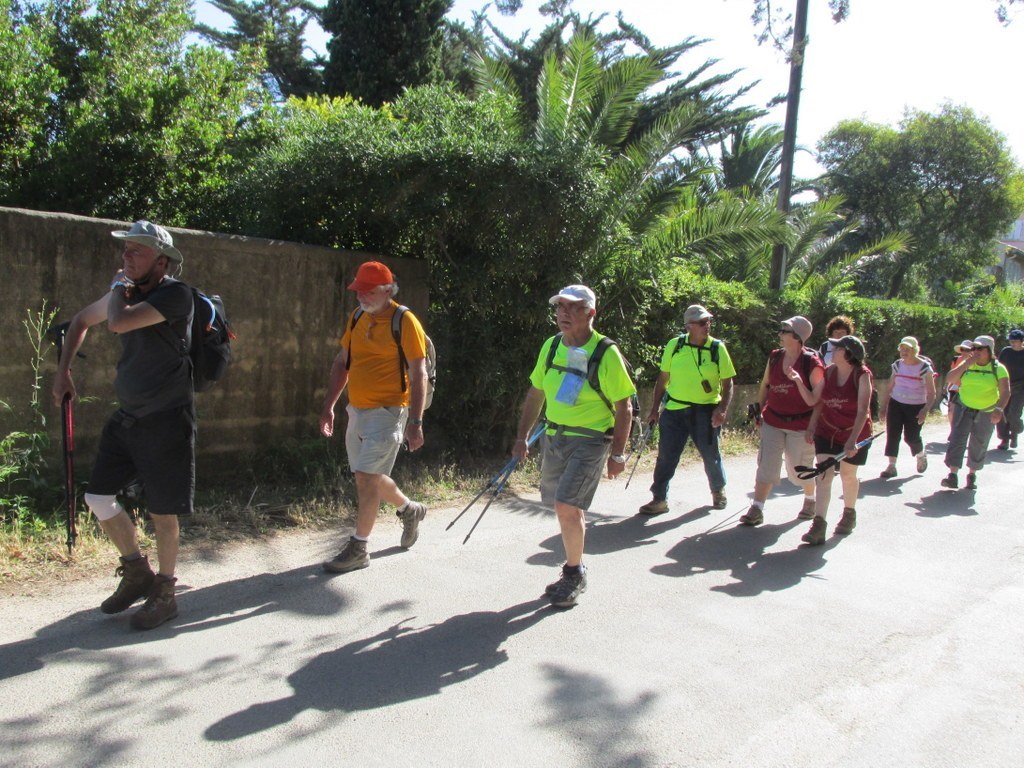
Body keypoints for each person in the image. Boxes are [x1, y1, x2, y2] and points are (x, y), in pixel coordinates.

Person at [51, 221, 195, 630]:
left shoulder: (175, 295)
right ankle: (137, 571)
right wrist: (63, 373)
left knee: (162, 512)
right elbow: (80, 321)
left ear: (161, 261)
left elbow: (118, 322)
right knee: (98, 497)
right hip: (128, 417)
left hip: (167, 419)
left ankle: (166, 592)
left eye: (137, 251)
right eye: (125, 250)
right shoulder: (124, 294)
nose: (126, 257)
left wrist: (117, 290)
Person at [513, 285, 635, 609]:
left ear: (591, 313)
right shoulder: (551, 346)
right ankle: (574, 568)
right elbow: (535, 393)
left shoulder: (605, 353)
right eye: (559, 307)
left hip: (592, 439)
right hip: (554, 436)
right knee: (562, 506)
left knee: (567, 505)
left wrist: (618, 453)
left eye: (572, 308)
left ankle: (574, 573)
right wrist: (521, 437)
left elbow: (625, 407)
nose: (563, 313)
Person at [319, 261, 429, 573]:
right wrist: (329, 405)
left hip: (389, 412)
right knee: (368, 476)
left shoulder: (404, 321)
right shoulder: (357, 317)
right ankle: (410, 510)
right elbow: (343, 363)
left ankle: (359, 547)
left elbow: (418, 371)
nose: (360, 297)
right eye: (358, 291)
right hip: (357, 410)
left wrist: (416, 421)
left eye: (367, 291)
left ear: (386, 290)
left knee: (367, 478)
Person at [638, 304, 736, 514]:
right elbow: (662, 379)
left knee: (711, 454)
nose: (707, 325)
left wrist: (722, 409)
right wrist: (655, 409)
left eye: (708, 321)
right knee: (666, 456)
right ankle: (659, 498)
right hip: (674, 410)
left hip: (706, 410)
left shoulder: (717, 348)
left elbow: (728, 383)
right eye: (702, 322)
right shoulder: (675, 345)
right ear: (689, 325)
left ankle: (718, 491)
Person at [739, 316, 824, 526]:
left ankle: (810, 500)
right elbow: (766, 384)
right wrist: (758, 410)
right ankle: (756, 508)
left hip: (801, 424)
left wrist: (813, 426)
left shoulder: (811, 363)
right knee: (766, 465)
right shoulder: (775, 357)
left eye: (784, 331)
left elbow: (819, 399)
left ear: (796, 336)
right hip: (773, 420)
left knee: (799, 470)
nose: (779, 334)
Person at [801, 335, 873, 546]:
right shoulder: (830, 372)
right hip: (828, 430)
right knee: (823, 474)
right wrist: (812, 425)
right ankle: (819, 525)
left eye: (838, 348)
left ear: (848, 354)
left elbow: (862, 411)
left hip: (854, 432)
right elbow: (821, 402)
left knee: (848, 476)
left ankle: (849, 514)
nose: (833, 350)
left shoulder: (862, 375)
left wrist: (851, 441)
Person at [941, 335, 1011, 490]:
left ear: (989, 350)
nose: (976, 351)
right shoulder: (967, 364)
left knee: (979, 442)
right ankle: (952, 475)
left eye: (980, 348)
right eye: (974, 348)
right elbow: (950, 379)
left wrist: (999, 410)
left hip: (986, 410)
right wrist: (966, 363)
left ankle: (971, 475)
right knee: (957, 439)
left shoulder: (998, 368)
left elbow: (1005, 392)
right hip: (963, 406)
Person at [879, 336, 936, 478]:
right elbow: (890, 386)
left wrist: (925, 410)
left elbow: (932, 392)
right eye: (902, 349)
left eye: (907, 349)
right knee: (892, 433)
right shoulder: (897, 365)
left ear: (915, 350)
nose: (904, 352)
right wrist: (883, 407)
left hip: (916, 406)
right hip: (896, 403)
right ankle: (891, 466)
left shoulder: (924, 368)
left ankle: (921, 454)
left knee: (911, 437)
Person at [995, 329, 1024, 450]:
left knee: (1013, 414)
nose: (1012, 343)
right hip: (1005, 385)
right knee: (1001, 412)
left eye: (1015, 341)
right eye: (1011, 341)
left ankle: (1015, 432)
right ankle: (1004, 439)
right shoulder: (1006, 351)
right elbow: (998, 366)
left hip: (1020, 387)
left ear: (1022, 341)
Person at [946, 340, 973, 436]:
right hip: (955, 388)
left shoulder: (974, 362)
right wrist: (948, 386)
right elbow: (952, 373)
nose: (965, 352)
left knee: (965, 413)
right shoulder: (956, 359)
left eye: (967, 350)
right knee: (951, 411)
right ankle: (953, 431)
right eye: (963, 349)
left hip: (968, 389)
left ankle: (963, 432)